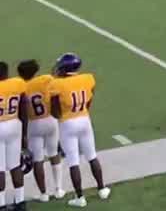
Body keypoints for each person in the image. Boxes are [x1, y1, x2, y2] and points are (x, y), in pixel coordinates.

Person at [46, 53, 107, 206]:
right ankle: (102, 188)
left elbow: (54, 111)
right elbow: (89, 101)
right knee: (92, 156)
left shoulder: (56, 85)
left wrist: (61, 117)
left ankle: (80, 197)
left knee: (74, 162)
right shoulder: (88, 78)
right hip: (84, 119)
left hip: (67, 123)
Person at [20, 58, 63, 201]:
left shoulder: (22, 86)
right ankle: (59, 188)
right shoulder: (46, 79)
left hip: (34, 124)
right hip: (50, 120)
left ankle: (43, 194)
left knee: (38, 160)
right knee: (53, 153)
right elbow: (54, 81)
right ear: (36, 71)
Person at [0, 60, 22, 207]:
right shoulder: (17, 83)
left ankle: (1, 203)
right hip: (14, 124)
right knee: (15, 165)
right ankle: (20, 201)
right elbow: (24, 107)